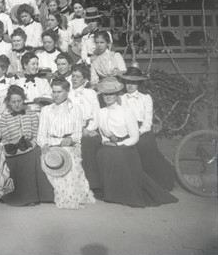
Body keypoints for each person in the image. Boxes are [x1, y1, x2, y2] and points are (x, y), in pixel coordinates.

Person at [94, 77, 178, 207]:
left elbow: (134, 137)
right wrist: (106, 141)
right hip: (109, 145)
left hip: (126, 145)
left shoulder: (126, 112)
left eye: (111, 94)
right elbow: (102, 133)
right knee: (102, 153)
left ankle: (122, 193)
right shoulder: (100, 112)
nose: (108, 97)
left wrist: (118, 144)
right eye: (106, 94)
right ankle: (110, 192)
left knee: (116, 154)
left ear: (117, 95)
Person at [37, 78, 96, 209]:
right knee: (53, 159)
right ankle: (63, 193)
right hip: (51, 144)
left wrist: (71, 139)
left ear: (67, 92)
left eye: (59, 92)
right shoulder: (46, 110)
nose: (55, 95)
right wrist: (44, 145)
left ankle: (71, 196)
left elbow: (77, 133)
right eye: (53, 92)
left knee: (69, 158)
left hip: (69, 145)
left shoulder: (75, 109)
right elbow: (41, 134)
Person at [120, 66, 175, 190]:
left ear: (139, 83)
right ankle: (131, 182)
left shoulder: (145, 98)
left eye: (133, 82)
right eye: (128, 82)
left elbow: (147, 121)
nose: (130, 85)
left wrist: (137, 132)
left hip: (142, 130)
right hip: (125, 129)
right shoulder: (121, 98)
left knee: (146, 147)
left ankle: (158, 181)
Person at [0, 85, 53, 206]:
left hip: (30, 147)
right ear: (9, 102)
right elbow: (6, 138)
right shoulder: (4, 118)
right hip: (13, 149)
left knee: (34, 154)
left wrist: (31, 144)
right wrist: (17, 145)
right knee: (20, 159)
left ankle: (37, 195)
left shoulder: (32, 115)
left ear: (23, 100)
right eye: (13, 102)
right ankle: (23, 196)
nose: (17, 104)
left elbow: (36, 134)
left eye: (19, 101)